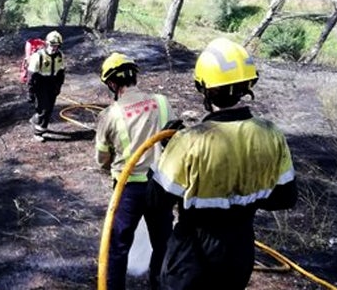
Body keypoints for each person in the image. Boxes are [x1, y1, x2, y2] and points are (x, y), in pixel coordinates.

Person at [150, 38, 298, 290]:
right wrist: (244, 198)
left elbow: (156, 202)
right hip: (239, 253)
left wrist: (167, 153)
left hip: (192, 257)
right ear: (248, 85)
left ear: (204, 88)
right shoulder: (272, 134)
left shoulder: (188, 141)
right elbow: (285, 198)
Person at [94, 53, 175, 290]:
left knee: (118, 246)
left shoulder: (110, 114)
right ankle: (159, 286)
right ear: (134, 76)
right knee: (163, 243)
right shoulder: (162, 102)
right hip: (161, 186)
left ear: (112, 84)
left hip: (128, 189)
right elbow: (174, 140)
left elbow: (102, 158)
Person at [27, 30, 65, 141]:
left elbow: (61, 73)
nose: (53, 48)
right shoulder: (38, 56)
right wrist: (30, 92)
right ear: (47, 44)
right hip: (40, 84)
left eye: (56, 46)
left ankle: (35, 121)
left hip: (52, 83)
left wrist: (58, 86)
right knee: (44, 109)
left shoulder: (60, 56)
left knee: (49, 109)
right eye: (51, 45)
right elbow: (31, 76)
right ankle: (38, 133)